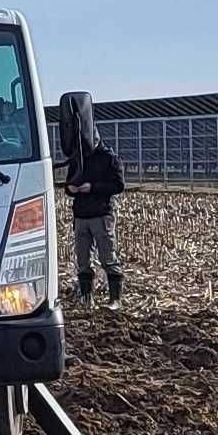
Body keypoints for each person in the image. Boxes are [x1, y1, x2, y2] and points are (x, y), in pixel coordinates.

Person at [67, 121, 125, 302]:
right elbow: (69, 184)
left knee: (108, 257)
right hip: (81, 215)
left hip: (101, 214)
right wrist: (72, 189)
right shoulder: (78, 158)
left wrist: (92, 187)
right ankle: (86, 298)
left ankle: (115, 299)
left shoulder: (109, 157)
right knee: (83, 260)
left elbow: (118, 185)